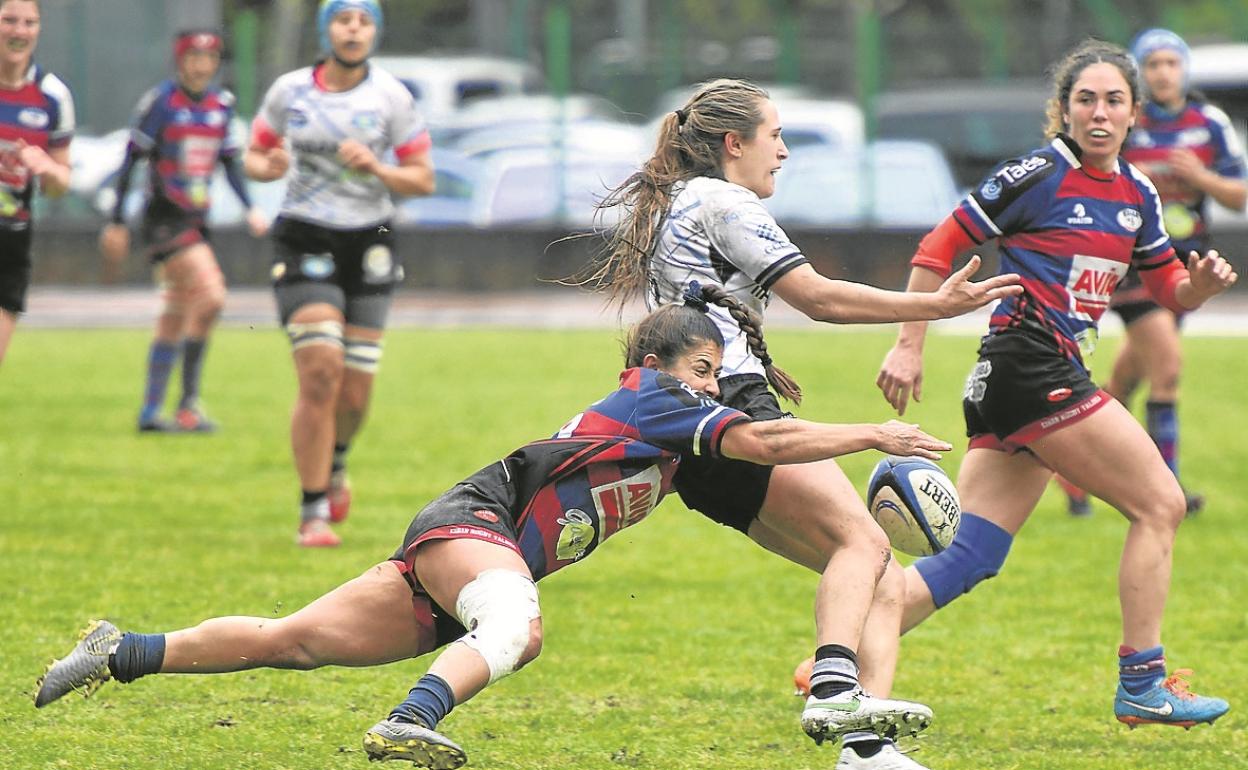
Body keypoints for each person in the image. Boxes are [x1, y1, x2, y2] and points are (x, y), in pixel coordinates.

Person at [35, 290, 953, 769]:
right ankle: (407, 721)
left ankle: (119, 651)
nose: (711, 383)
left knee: (292, 642)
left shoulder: (670, 421)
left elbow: (751, 459)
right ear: (656, 364)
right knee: (518, 630)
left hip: (466, 547)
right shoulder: (656, 397)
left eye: (715, 370)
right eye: (704, 367)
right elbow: (761, 440)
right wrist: (874, 433)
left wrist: (854, 546)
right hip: (475, 527)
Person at [586, 78, 1022, 769]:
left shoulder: (680, 200)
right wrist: (933, 310)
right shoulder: (723, 200)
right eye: (776, 135)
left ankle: (865, 751)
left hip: (691, 431)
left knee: (872, 573)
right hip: (730, 402)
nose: (784, 151)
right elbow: (817, 297)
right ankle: (833, 686)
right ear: (735, 144)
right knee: (864, 544)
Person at [874, 39, 1234, 728]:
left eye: (1113, 101)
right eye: (1085, 100)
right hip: (1028, 365)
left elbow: (1168, 290)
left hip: (1026, 379)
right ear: (1063, 111)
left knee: (970, 556)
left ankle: (838, 666)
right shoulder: (1038, 173)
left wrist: (1201, 288)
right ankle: (1143, 684)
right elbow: (938, 246)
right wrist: (907, 343)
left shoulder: (1137, 194)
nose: (1099, 113)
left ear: (1134, 114)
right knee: (1160, 504)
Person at [244, 0, 434, 547]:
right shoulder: (290, 92)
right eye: (342, 19)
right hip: (304, 236)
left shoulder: (391, 97)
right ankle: (313, 513)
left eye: (363, 21)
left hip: (370, 242)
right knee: (321, 368)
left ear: (374, 31)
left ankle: (338, 460)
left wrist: (377, 167)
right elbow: (254, 156)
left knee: (353, 396)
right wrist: (268, 166)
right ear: (327, 29)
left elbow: (422, 179)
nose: (353, 30)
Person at [1056, 28, 1247, 517]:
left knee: (1124, 379)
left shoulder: (1209, 123)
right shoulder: (1128, 125)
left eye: (1172, 62)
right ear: (1142, 73)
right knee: (1168, 370)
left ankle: (1070, 471)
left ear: (1184, 69)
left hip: (1187, 270)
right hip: (1133, 266)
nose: (1164, 72)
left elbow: (1238, 195)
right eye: (1154, 64)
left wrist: (1199, 177)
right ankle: (1168, 489)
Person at [99, 29, 269, 433]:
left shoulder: (221, 105)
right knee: (210, 296)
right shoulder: (161, 102)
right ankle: (188, 404)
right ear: (180, 60)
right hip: (162, 220)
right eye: (193, 56)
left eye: (209, 57)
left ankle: (151, 412)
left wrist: (250, 208)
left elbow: (229, 163)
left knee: (177, 310)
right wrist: (118, 221)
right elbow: (131, 160)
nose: (201, 64)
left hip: (196, 220)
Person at [0, 0, 72, 366]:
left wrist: (45, 167)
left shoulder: (52, 96)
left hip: (11, 243)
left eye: (29, 22)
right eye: (9, 20)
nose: (19, 31)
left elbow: (60, 184)